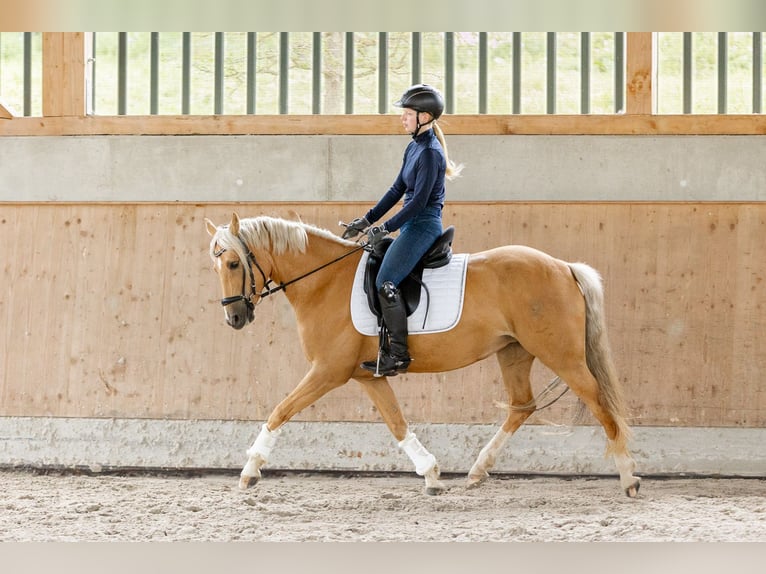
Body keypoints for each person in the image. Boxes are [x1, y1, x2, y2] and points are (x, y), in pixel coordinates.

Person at [342, 83, 463, 377]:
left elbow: (418, 203)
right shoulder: (414, 147)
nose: (403, 118)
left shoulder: (431, 153)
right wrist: (366, 220)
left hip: (422, 224)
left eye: (408, 113)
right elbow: (397, 189)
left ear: (425, 117)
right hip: (411, 223)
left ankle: (398, 354)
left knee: (386, 281)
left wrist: (385, 227)